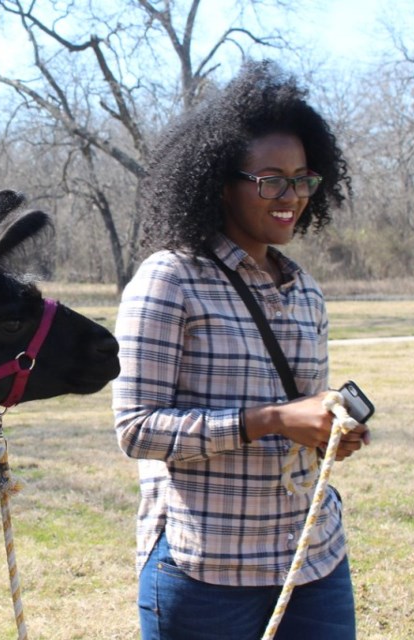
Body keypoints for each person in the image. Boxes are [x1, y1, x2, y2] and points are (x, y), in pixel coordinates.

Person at [112, 60, 372, 640]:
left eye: (304, 179)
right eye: (271, 179)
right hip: (206, 568)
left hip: (314, 560)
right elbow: (137, 429)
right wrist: (273, 420)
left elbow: (303, 412)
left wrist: (329, 430)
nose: (292, 196)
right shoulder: (169, 279)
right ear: (220, 181)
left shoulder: (303, 288)